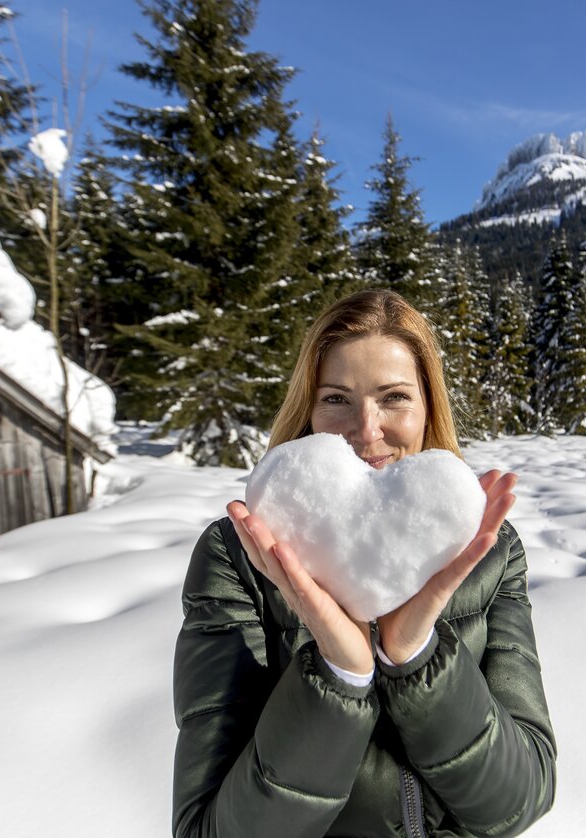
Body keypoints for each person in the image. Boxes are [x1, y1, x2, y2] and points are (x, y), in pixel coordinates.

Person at [172, 289, 556, 837]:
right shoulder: (239, 558)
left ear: (428, 406)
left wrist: (418, 659)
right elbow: (206, 830)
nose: (366, 430)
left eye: (394, 397)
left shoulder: (484, 548)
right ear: (307, 407)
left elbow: (520, 800)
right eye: (336, 399)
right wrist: (339, 675)